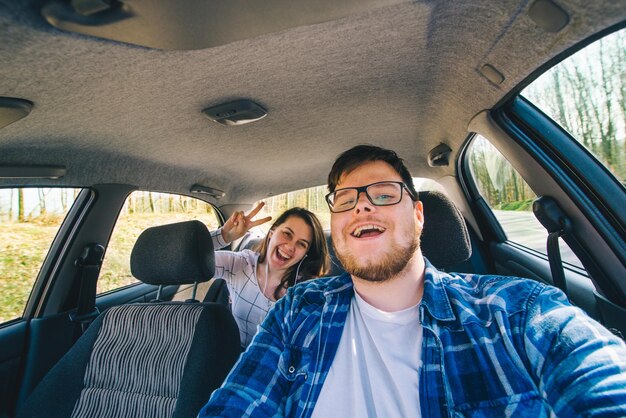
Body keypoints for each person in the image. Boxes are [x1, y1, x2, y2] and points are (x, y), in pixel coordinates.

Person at [200, 145, 626, 417]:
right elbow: (238, 403)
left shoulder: (516, 311)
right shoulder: (299, 308)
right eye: (347, 201)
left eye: (383, 194)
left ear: (418, 216)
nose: (362, 208)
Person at [211, 204, 330, 348]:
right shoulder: (240, 263)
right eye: (287, 234)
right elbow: (186, 259)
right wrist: (223, 236)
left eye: (301, 244)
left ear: (306, 254)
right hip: (234, 356)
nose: (290, 247)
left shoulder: (305, 292)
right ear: (272, 232)